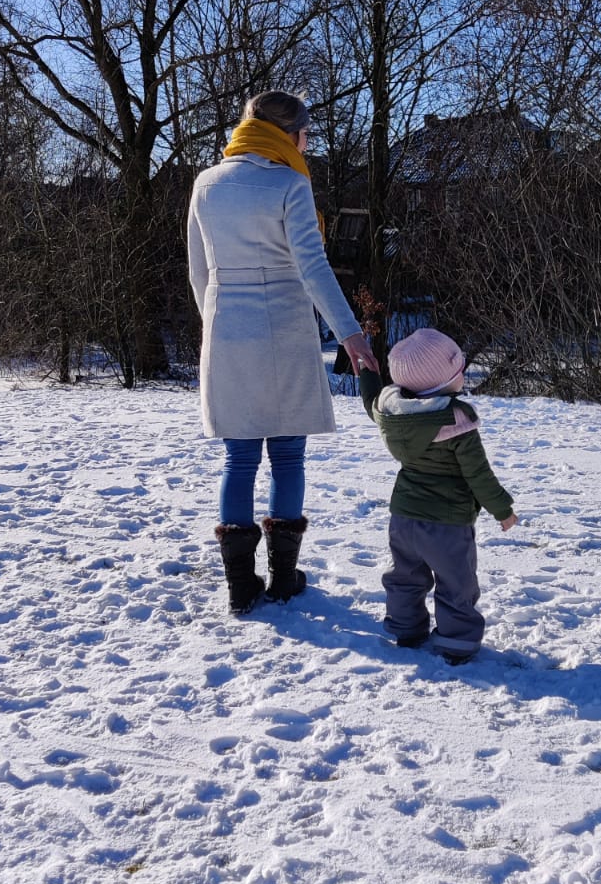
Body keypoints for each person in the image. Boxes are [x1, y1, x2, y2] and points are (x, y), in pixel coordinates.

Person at [187, 91, 378, 613]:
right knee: (288, 455)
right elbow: (314, 269)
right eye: (307, 134)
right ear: (289, 135)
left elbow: (198, 273)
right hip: (287, 329)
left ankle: (240, 586)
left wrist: (218, 330)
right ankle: (283, 577)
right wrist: (351, 335)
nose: (308, 144)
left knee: (240, 456)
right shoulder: (291, 184)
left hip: (227, 329)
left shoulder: (206, 185)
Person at [358, 327, 517, 664]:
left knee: (405, 577)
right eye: (458, 370)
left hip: (403, 518)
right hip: (447, 523)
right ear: (440, 382)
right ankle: (456, 643)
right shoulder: (456, 421)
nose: (462, 375)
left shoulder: (393, 414)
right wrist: (502, 509)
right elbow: (478, 474)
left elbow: (372, 404)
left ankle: (406, 629)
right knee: (456, 583)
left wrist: (369, 374)